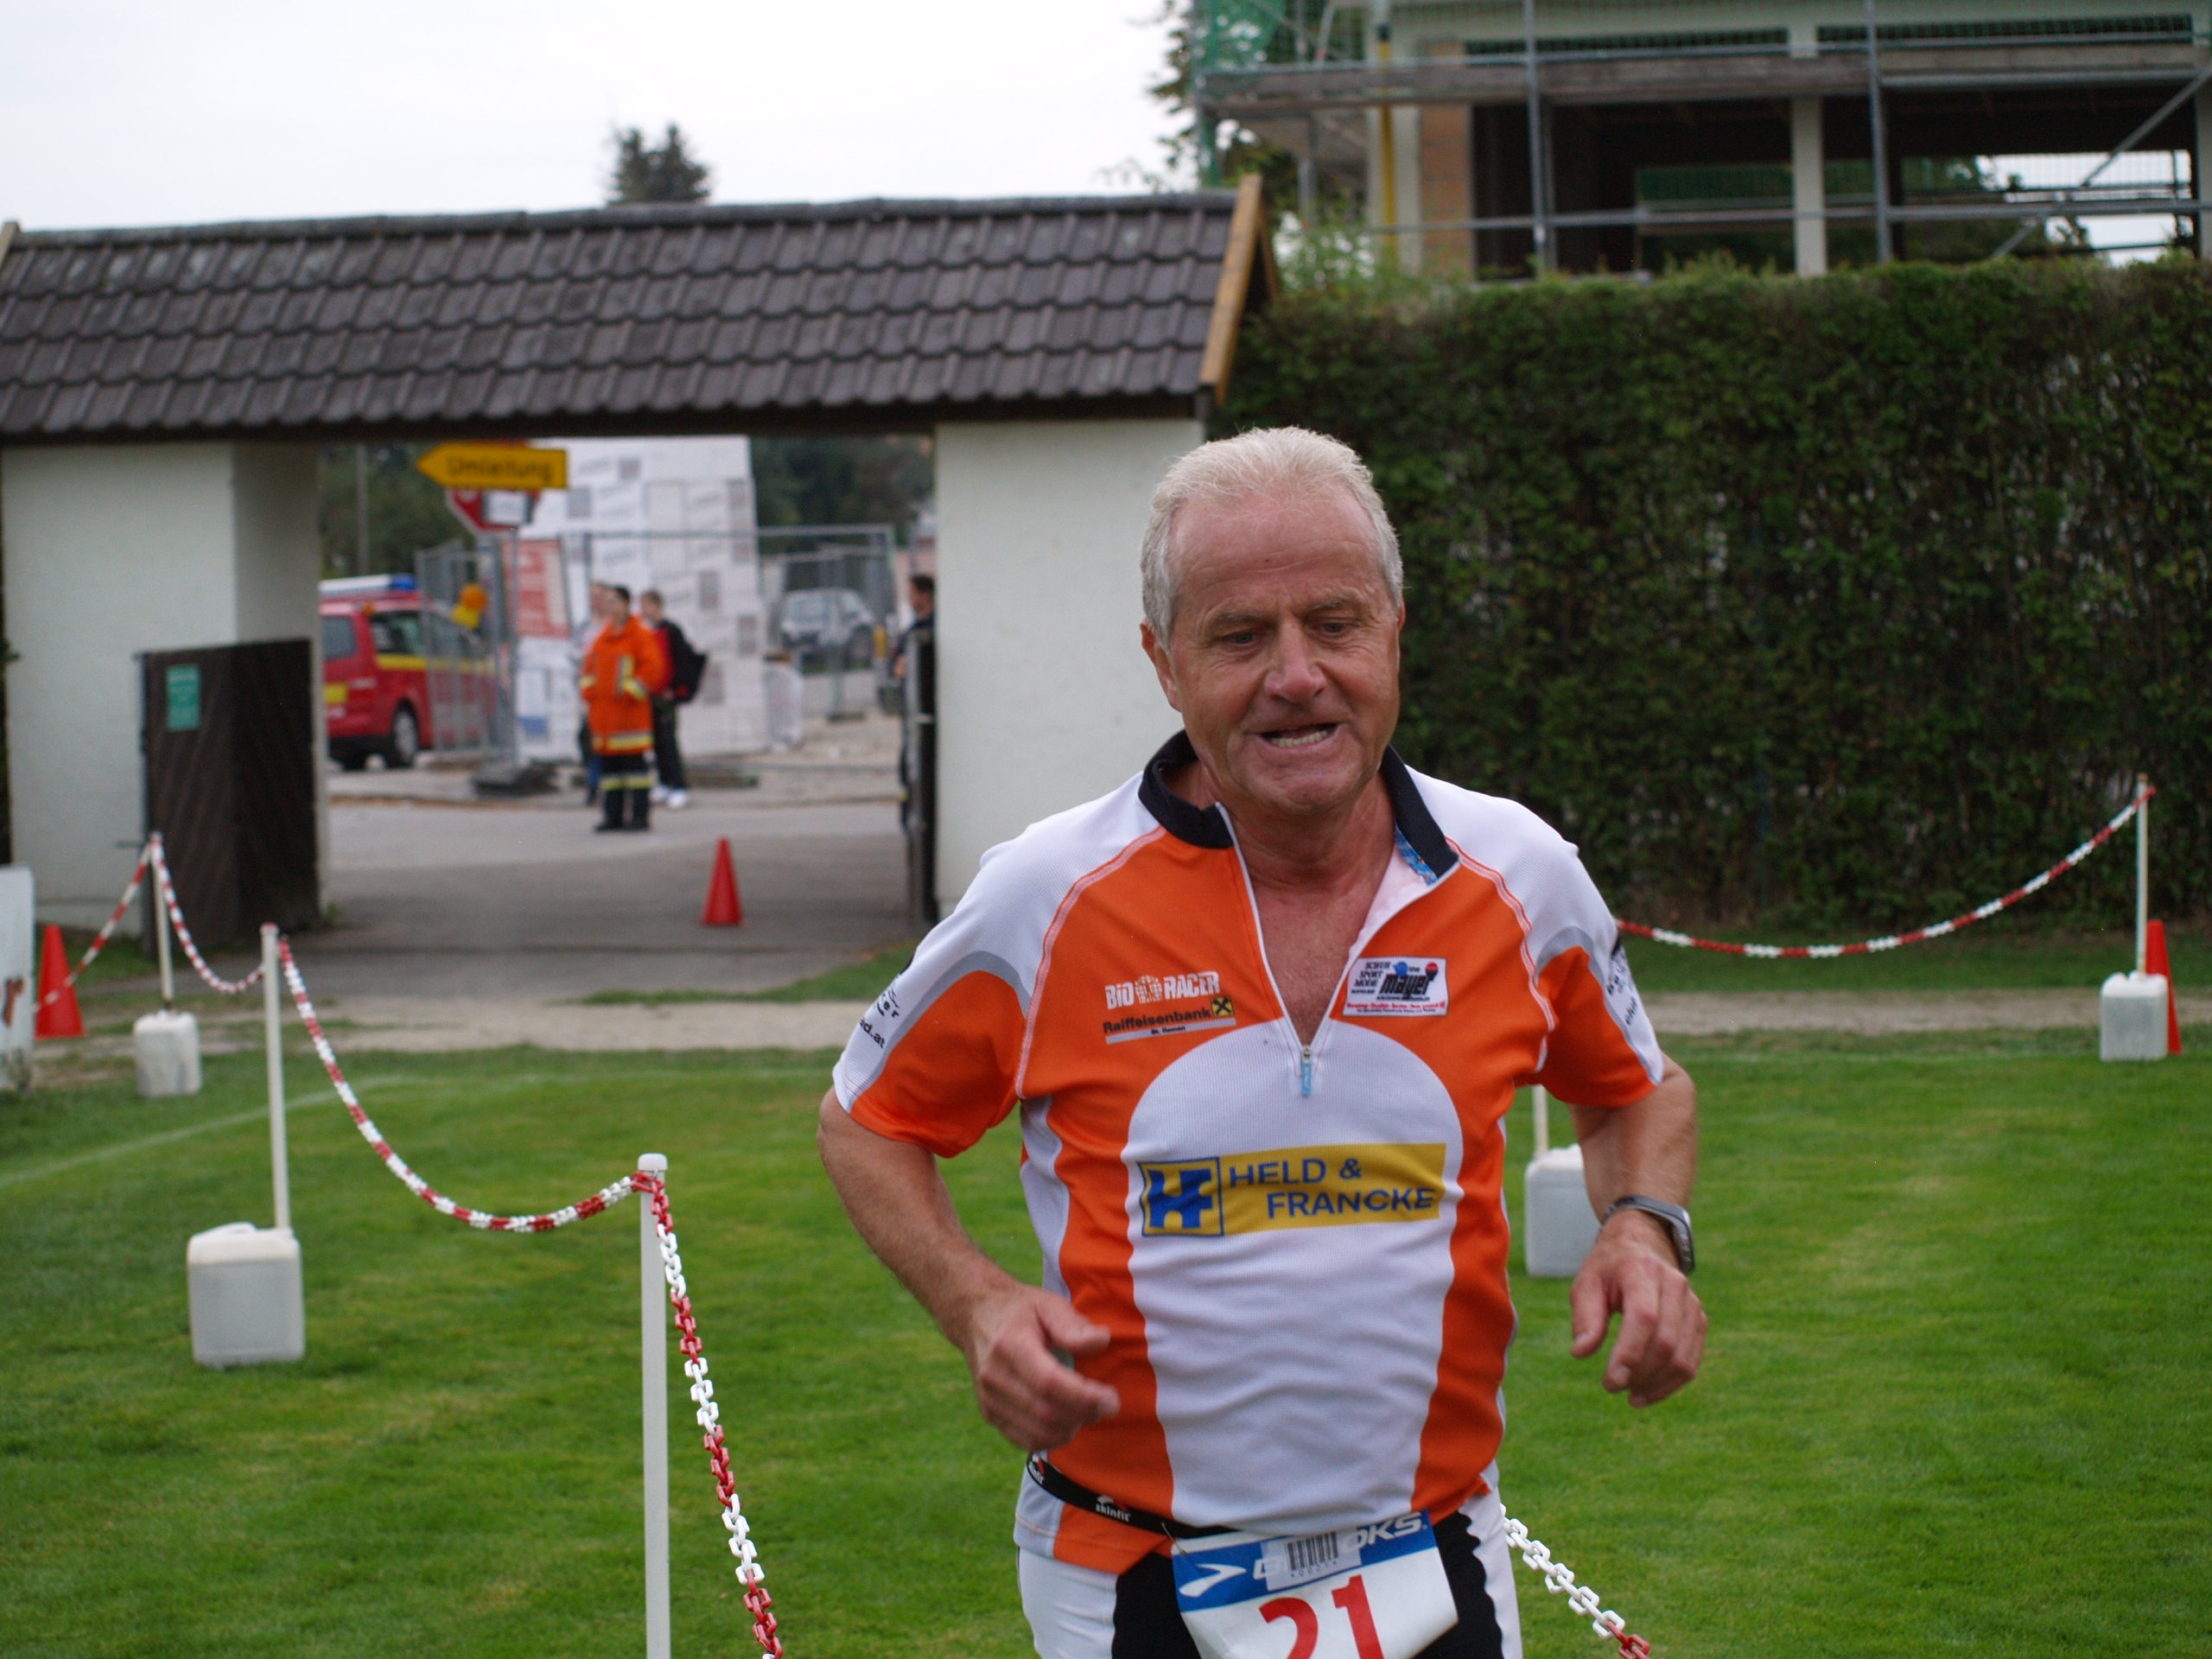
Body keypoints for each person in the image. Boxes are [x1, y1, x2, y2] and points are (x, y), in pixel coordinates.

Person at [818, 429, 1706, 1659]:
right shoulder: (1044, 895)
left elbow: (1639, 1091)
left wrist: (1643, 1228)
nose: (1297, 676)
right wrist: (976, 1303)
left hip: (1434, 1546)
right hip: (1124, 1569)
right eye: (1240, 638)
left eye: (1334, 624)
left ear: (1394, 632)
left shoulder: (1519, 872)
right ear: (1163, 662)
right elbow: (867, 1119)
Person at [579, 582, 666, 832]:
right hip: (605, 718)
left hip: (630, 717)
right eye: (606, 601)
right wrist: (589, 692)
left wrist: (630, 692)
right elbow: (589, 670)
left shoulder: (639, 635)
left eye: (613, 601)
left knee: (636, 771)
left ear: (625, 604)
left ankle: (640, 817)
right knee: (611, 773)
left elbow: (653, 668)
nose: (608, 606)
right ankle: (613, 816)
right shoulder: (602, 638)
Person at [638, 588, 705, 810]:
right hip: (651, 696)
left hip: (666, 696)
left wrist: (674, 689)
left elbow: (681, 662)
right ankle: (664, 782)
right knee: (656, 742)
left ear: (657, 605)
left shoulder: (671, 631)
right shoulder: (647, 632)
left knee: (669, 742)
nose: (642, 610)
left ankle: (679, 786)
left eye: (646, 605)